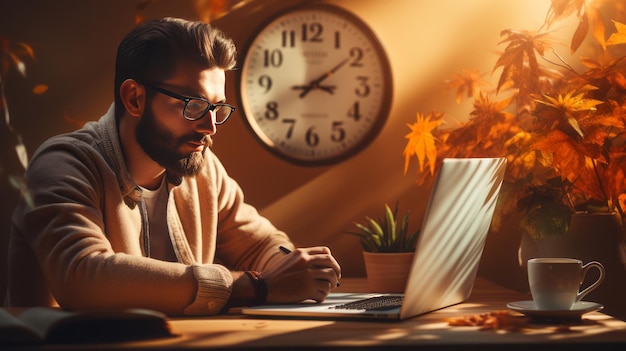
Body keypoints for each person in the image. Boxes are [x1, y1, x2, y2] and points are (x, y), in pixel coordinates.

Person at [5, 17, 341, 316]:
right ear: (134, 98)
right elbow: (83, 276)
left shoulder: (202, 167)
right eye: (194, 105)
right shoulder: (62, 164)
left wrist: (295, 270)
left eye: (217, 107)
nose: (211, 127)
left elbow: (256, 243)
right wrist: (256, 286)